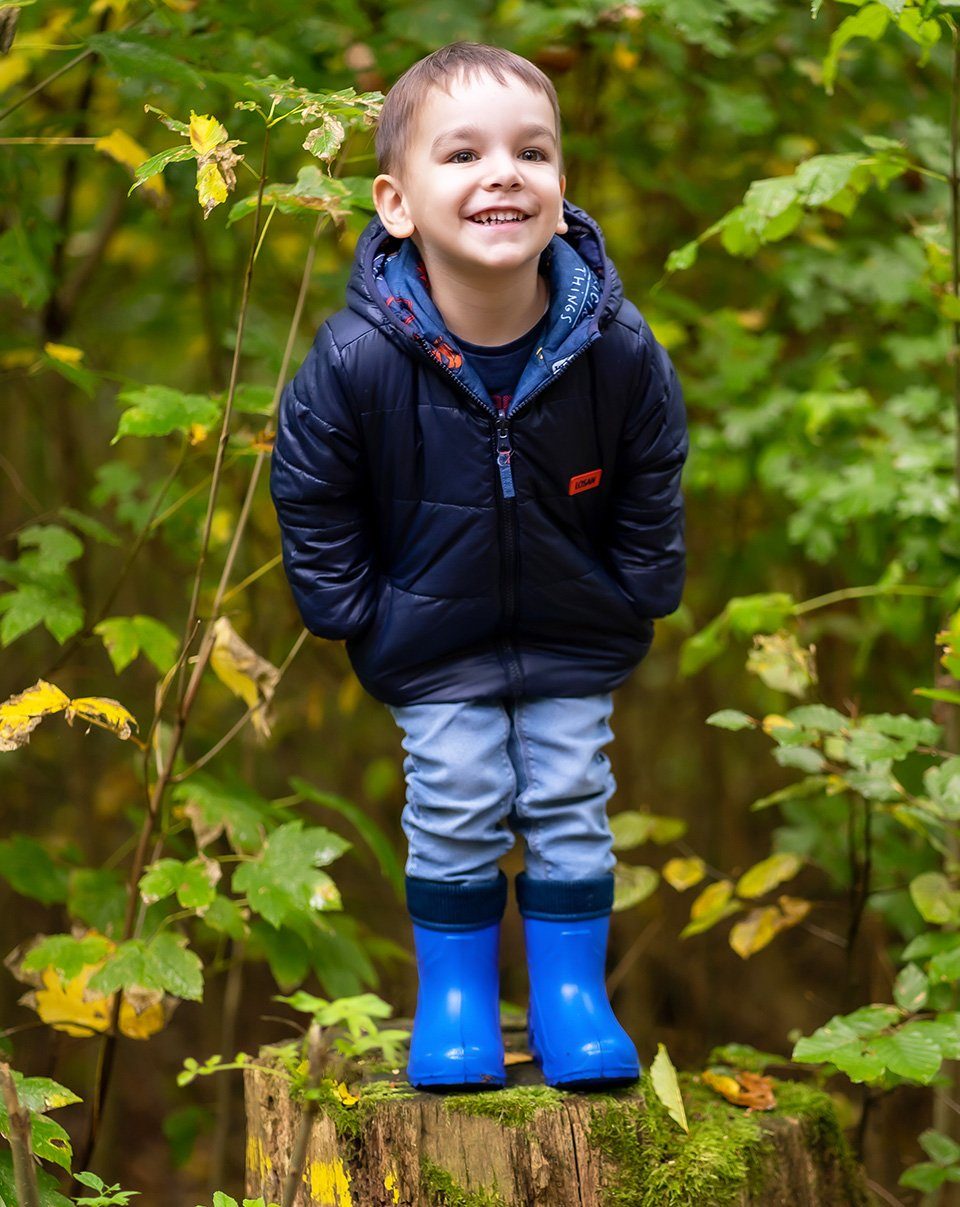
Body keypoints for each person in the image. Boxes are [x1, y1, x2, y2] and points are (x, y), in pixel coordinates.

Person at [270, 41, 688, 1093]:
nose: (503, 172)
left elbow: (653, 462)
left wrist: (641, 584)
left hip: (573, 625)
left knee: (568, 794)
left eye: (531, 152)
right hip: (432, 633)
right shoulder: (360, 356)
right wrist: (349, 607)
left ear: (559, 193)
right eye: (463, 154)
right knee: (454, 798)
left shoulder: (612, 344)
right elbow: (312, 482)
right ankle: (456, 1001)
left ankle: (570, 1000)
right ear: (397, 203)